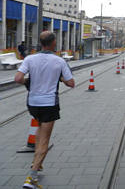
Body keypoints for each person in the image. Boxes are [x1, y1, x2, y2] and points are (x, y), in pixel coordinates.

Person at [15, 31, 75, 189]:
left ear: (41, 43)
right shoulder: (59, 61)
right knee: (44, 141)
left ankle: (38, 163)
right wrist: (59, 78)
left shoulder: (29, 59)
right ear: (53, 43)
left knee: (40, 130)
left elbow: (18, 78)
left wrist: (29, 83)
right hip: (49, 104)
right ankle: (31, 178)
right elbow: (71, 83)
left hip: (33, 104)